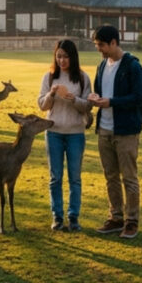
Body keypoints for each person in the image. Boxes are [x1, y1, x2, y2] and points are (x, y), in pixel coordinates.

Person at [88, 24, 142, 240]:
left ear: (114, 42)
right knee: (110, 176)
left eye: (102, 45)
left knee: (129, 178)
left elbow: (139, 97)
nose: (99, 49)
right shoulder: (102, 66)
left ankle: (131, 221)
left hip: (126, 131)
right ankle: (116, 217)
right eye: (97, 45)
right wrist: (95, 99)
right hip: (104, 129)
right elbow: (100, 93)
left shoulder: (132, 66)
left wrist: (111, 102)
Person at [37, 39, 92, 232]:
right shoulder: (50, 77)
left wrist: (73, 99)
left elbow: (87, 105)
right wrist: (51, 94)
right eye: (59, 56)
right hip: (54, 133)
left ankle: (73, 216)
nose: (62, 60)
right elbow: (42, 105)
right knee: (55, 177)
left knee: (75, 177)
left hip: (75, 133)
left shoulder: (83, 78)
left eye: (66, 56)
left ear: (73, 57)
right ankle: (57, 216)